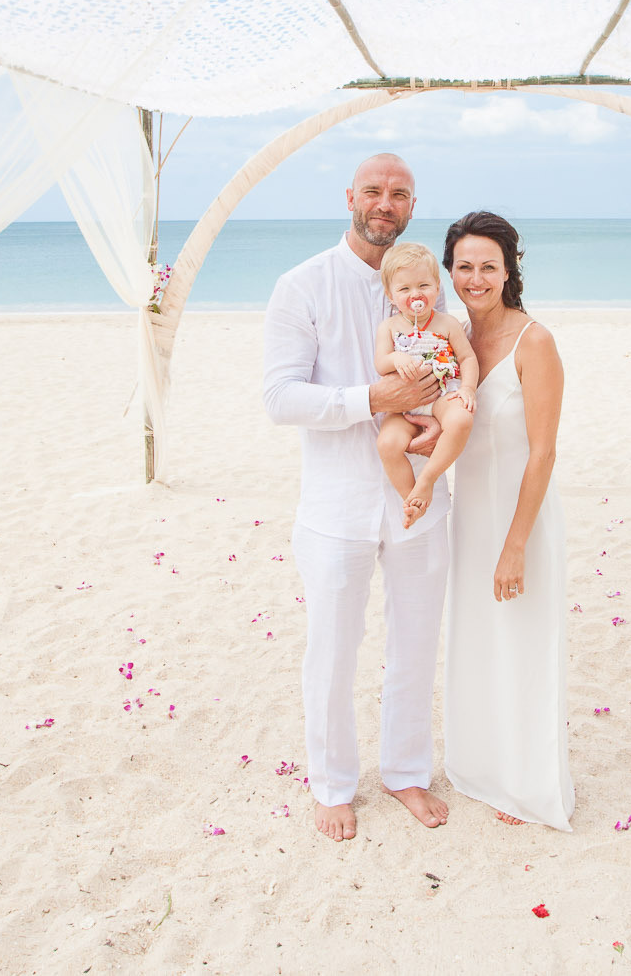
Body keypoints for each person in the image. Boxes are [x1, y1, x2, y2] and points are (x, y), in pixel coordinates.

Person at [262, 154, 453, 842]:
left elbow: (456, 377)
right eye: (373, 191)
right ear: (350, 197)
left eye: (399, 194)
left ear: (411, 205)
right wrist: (372, 398)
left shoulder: (427, 289)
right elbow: (280, 397)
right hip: (336, 504)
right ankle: (333, 783)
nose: (385, 203)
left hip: (420, 502)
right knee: (334, 649)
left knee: (415, 643)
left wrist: (437, 427)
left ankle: (405, 770)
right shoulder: (302, 285)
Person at [441, 211, 575, 829]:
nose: (475, 278)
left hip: (520, 521)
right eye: (464, 266)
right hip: (469, 519)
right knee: (475, 640)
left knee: (522, 642)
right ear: (450, 271)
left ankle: (526, 783)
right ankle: (482, 768)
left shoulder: (534, 341)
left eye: (488, 266)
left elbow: (543, 451)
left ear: (508, 271)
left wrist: (515, 545)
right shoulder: (451, 344)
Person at [374, 243, 479, 528]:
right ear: (390, 295)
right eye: (404, 289)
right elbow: (381, 363)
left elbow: (467, 357)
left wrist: (468, 388)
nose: (415, 294)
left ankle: (428, 479)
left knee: (460, 420)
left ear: (437, 287)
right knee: (387, 444)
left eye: (423, 285)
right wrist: (395, 358)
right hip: (404, 406)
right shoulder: (390, 327)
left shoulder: (447, 323)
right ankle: (413, 498)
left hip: (441, 393)